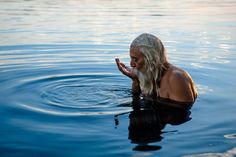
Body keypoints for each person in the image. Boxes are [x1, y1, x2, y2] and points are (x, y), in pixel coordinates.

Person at [115, 33, 198, 106]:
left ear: (151, 58)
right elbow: (137, 98)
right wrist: (136, 80)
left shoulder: (176, 78)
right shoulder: (152, 74)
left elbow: (180, 115)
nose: (131, 64)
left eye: (135, 59)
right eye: (131, 59)